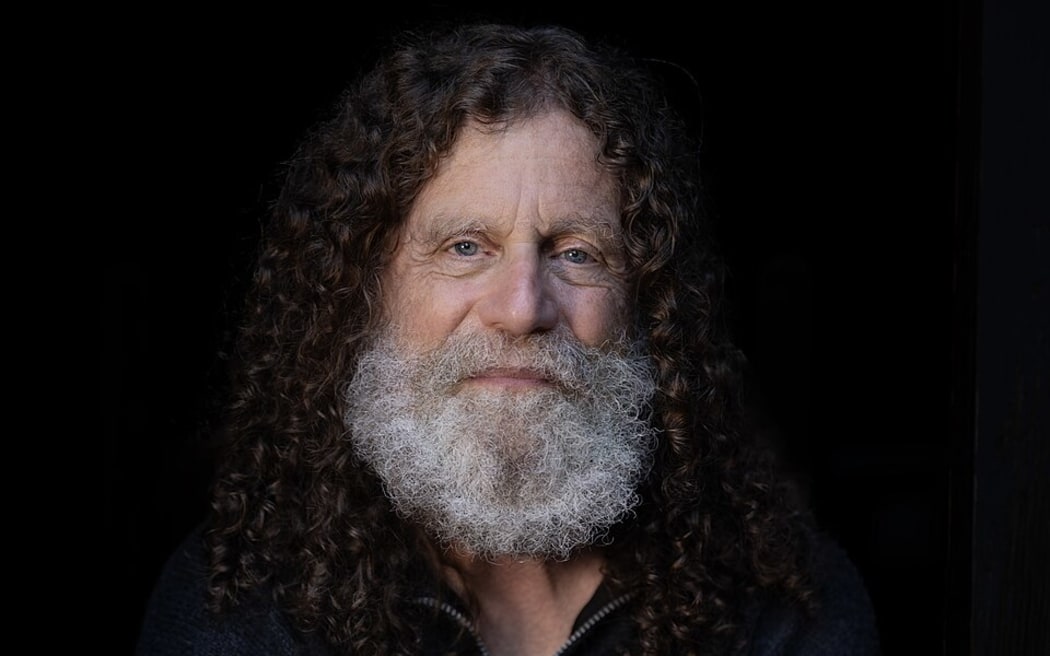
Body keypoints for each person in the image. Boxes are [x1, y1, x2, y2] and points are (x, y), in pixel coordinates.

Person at [134, 21, 880, 656]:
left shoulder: (783, 612)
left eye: (576, 254)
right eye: (466, 246)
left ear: (644, 305)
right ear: (364, 294)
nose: (522, 308)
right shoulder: (242, 613)